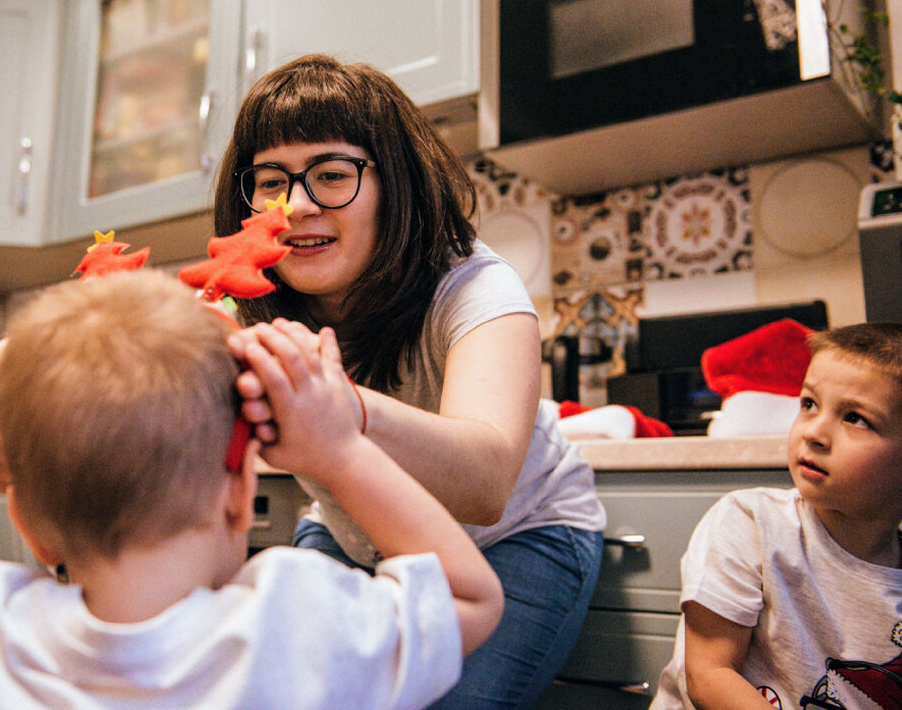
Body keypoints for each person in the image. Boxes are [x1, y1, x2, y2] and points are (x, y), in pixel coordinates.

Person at [0, 270, 504, 710]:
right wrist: (338, 450)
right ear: (239, 490)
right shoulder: (298, 623)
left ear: (24, 516)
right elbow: (468, 593)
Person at [213, 53, 607, 710]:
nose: (297, 205)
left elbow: (484, 482)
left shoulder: (480, 288)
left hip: (515, 534)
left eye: (332, 174)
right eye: (271, 180)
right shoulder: (244, 307)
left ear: (394, 183)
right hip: (348, 527)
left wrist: (334, 407)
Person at [649, 322, 902, 710]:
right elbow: (709, 677)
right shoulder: (750, 523)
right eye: (809, 404)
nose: (814, 432)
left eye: (855, 418)